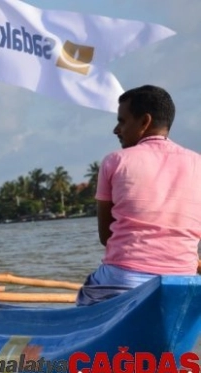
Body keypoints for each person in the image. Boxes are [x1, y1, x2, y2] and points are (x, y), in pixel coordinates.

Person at [76, 85, 201, 306]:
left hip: (124, 278)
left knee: (88, 294)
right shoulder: (197, 163)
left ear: (144, 122)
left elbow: (106, 237)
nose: (116, 130)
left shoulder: (115, 161)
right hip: (185, 278)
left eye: (122, 121)